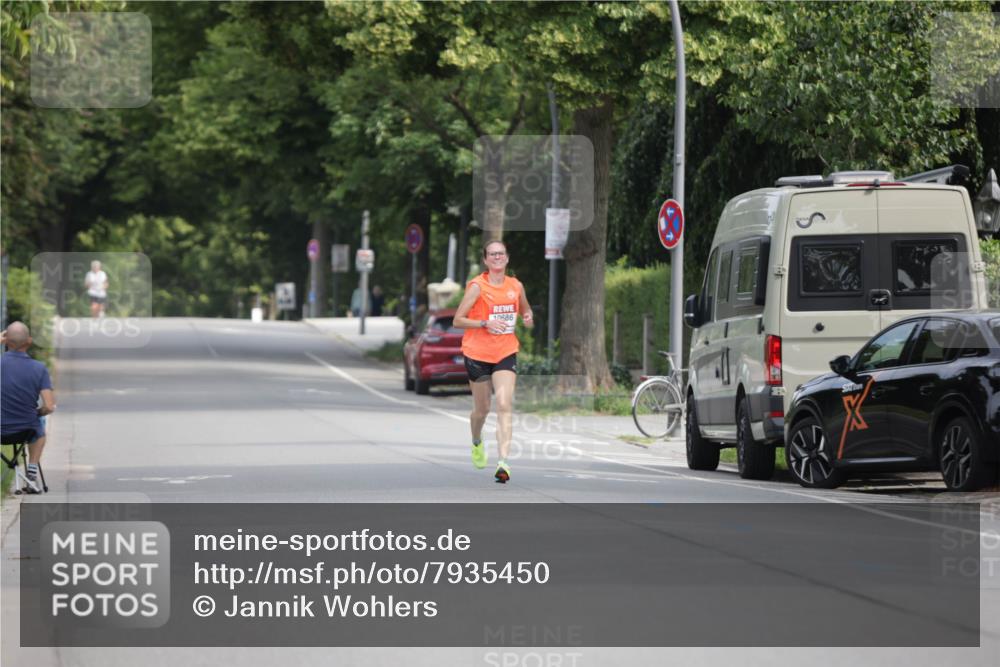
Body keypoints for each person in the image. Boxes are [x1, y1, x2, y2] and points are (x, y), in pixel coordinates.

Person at [453, 240, 533, 483]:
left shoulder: (515, 286)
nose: (497, 257)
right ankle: (477, 441)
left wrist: (528, 316)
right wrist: (484, 323)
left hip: (505, 352)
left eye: (501, 254)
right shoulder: (477, 287)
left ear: (507, 258)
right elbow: (458, 320)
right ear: (486, 260)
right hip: (477, 354)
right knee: (482, 410)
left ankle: (503, 463)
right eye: (492, 254)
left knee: (505, 404)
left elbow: (524, 310)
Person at [1, 322, 56, 490]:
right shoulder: (39, 369)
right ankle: (31, 472)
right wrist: (37, 413)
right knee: (40, 425)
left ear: (6, 341)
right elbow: (49, 406)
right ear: (29, 341)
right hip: (27, 430)